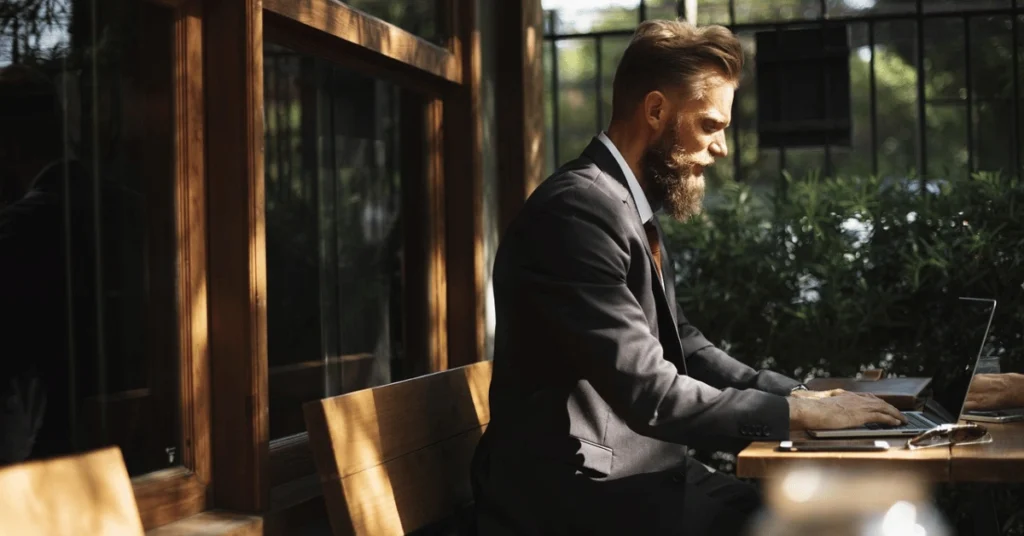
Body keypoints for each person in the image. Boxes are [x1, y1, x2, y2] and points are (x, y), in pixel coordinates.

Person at [470, 20, 906, 535]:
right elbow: (653, 395)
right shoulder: (577, 213)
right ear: (656, 111)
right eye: (710, 125)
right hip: (581, 501)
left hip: (639, 477)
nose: (721, 147)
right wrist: (795, 415)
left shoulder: (620, 204)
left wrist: (802, 396)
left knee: (832, 519)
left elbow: (687, 346)